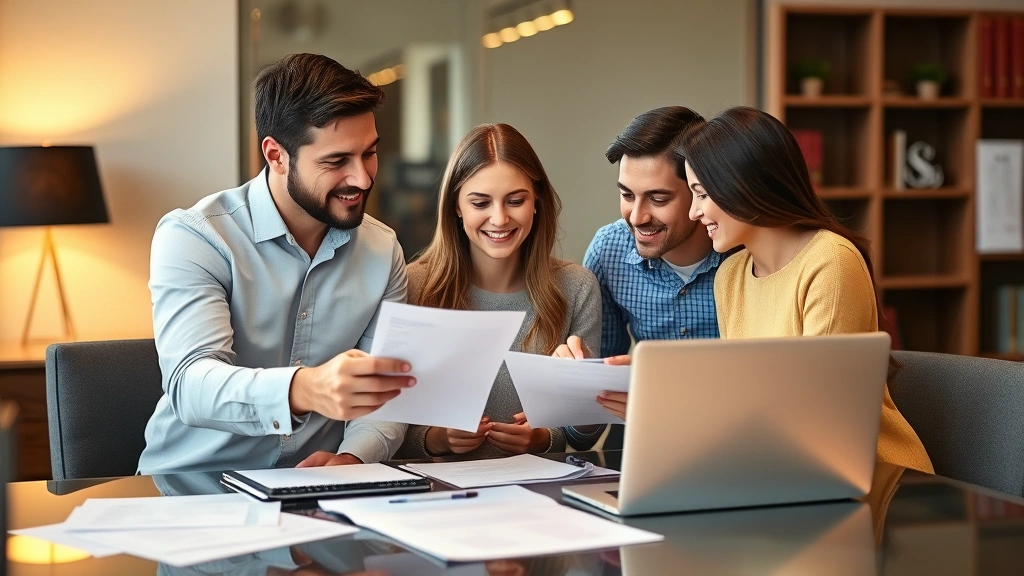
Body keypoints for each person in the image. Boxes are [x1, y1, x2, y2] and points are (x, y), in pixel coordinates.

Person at [138, 53, 414, 474]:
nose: (362, 178)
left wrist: (354, 457)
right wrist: (305, 388)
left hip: (320, 493)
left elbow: (386, 393)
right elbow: (191, 385)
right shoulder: (195, 237)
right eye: (337, 161)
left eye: (370, 154)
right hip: (194, 490)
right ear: (276, 154)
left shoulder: (382, 248)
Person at [680, 106, 932, 473]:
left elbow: (820, 416)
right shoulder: (730, 275)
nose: (693, 212)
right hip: (788, 471)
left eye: (701, 194)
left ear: (742, 183)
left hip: (875, 476)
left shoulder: (830, 261)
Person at [395, 124, 601, 459]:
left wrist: (547, 435)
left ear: (537, 202)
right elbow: (383, 428)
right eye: (480, 203)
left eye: (516, 201)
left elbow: (583, 437)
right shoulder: (413, 286)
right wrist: (437, 438)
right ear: (456, 207)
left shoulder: (577, 287)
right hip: (439, 495)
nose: (500, 218)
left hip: (540, 494)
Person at [555, 106, 723, 450]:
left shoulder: (741, 253)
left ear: (700, 189)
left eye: (658, 198)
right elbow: (587, 428)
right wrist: (582, 383)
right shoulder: (609, 250)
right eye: (627, 195)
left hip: (734, 440)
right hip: (646, 444)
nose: (637, 216)